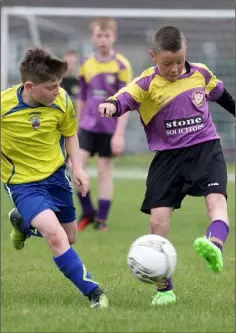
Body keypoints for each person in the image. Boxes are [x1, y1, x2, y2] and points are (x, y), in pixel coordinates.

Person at [98, 26, 235, 306]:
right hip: (168, 158)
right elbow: (126, 96)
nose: (174, 68)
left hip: (206, 149)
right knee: (157, 221)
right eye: (167, 63)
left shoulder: (200, 73)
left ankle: (214, 244)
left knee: (217, 202)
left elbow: (221, 95)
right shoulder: (147, 82)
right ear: (153, 57)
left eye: (179, 61)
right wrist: (111, 105)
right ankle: (164, 289)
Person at [1, 47, 109, 309]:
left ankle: (23, 224)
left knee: (69, 237)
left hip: (56, 178)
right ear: (29, 86)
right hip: (23, 184)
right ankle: (94, 293)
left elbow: (70, 133)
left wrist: (79, 168)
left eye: (59, 84)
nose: (58, 90)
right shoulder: (4, 106)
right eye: (51, 86)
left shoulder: (61, 101)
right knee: (55, 236)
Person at [76, 17, 133, 232]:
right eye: (99, 35)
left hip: (109, 128)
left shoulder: (122, 65)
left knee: (103, 171)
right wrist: (75, 125)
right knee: (75, 167)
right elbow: (82, 97)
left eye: (106, 35)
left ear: (114, 37)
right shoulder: (86, 64)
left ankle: (101, 219)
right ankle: (88, 211)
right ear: (92, 37)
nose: (103, 40)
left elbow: (125, 103)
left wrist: (119, 134)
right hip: (87, 126)